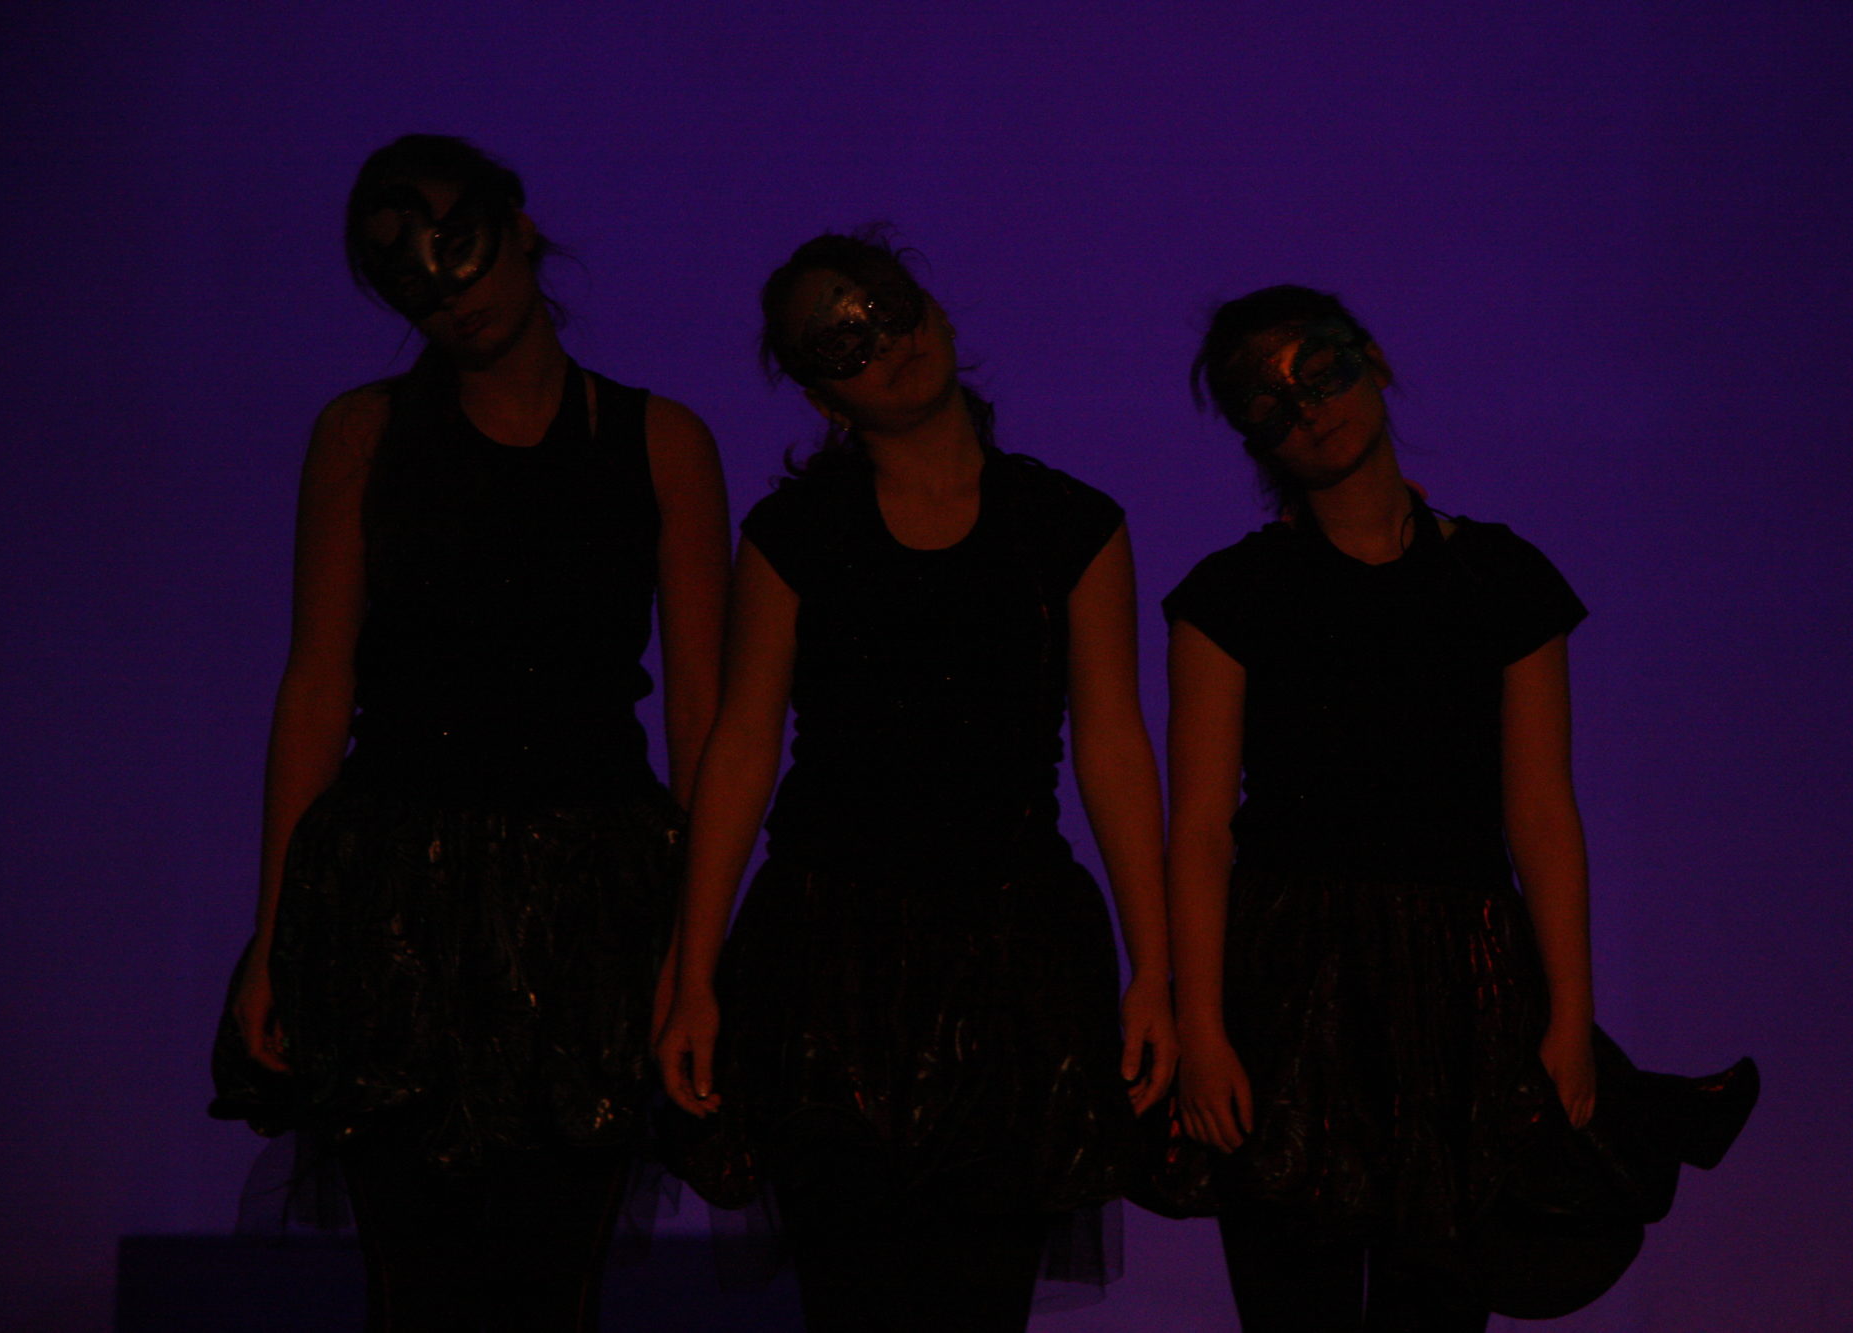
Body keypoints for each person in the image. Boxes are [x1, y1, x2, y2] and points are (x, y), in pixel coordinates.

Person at [211, 134, 730, 1332]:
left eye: (459, 245)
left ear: (520, 226)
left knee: (556, 1273)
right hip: (395, 892)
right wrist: (274, 935)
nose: (444, 287)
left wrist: (696, 949)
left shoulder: (658, 441)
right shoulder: (365, 433)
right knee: (416, 1278)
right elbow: (317, 683)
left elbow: (704, 714)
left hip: (594, 898)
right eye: (405, 273)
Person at [1161, 285, 1754, 1330]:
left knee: (1437, 1294)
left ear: (1374, 360)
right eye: (1267, 399)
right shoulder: (1230, 595)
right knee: (1292, 1288)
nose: (1307, 409)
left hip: (1463, 977)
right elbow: (1201, 829)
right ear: (1249, 433)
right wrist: (1201, 1027)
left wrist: (1568, 1018)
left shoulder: (1499, 578)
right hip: (1288, 982)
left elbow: (1541, 813)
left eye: (1322, 370)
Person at [657, 231, 1175, 1332]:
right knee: (852, 1296)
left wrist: (1155, 970)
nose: (880, 343)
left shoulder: (1069, 525)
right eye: (839, 342)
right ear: (817, 392)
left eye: (885, 310)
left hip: (1012, 959)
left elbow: (1113, 746)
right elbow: (742, 744)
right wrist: (693, 972)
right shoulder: (797, 534)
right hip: (824, 959)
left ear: (932, 311)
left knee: (980, 1294)